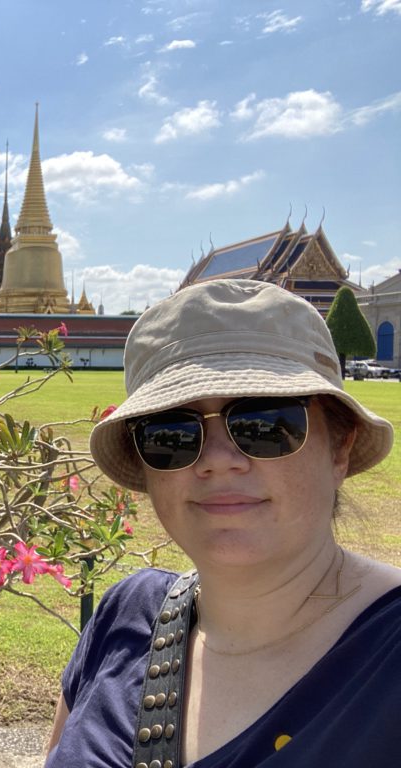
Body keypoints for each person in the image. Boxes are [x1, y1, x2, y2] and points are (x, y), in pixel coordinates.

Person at [45, 279, 401, 767]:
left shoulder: (388, 655)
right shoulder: (125, 614)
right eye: (171, 431)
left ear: (339, 447)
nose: (216, 461)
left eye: (267, 423)